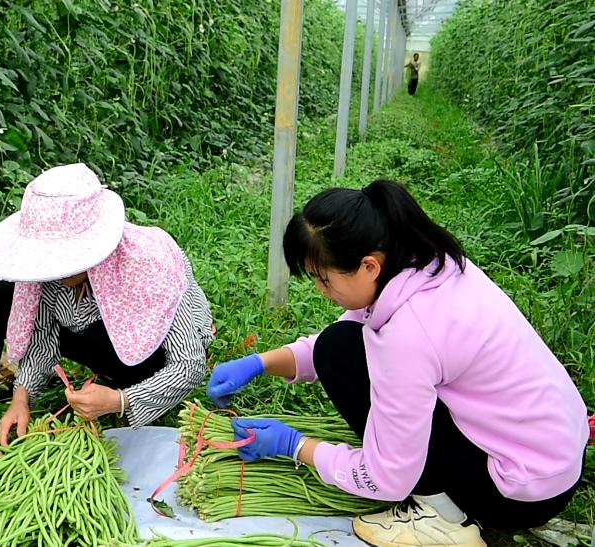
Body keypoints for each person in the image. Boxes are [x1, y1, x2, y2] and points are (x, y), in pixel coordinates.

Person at [206, 179, 588, 547]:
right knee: (337, 346)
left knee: (339, 353)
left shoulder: (410, 333)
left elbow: (386, 478)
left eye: (324, 279)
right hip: (549, 460)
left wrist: (294, 445)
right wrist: (260, 362)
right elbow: (342, 338)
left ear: (369, 266)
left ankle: (441, 518)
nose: (322, 292)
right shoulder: (425, 266)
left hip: (515, 492)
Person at [0, 163, 213, 445]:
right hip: (92, 337)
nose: (54, 267)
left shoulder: (149, 265)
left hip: (151, 358)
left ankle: (125, 393)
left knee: (137, 376)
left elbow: (189, 363)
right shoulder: (46, 271)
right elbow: (43, 334)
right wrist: (21, 399)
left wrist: (120, 400)